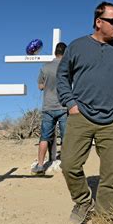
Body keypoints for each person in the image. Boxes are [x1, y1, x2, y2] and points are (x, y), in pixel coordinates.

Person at [57, 1, 113, 224]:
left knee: (110, 175)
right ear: (98, 22)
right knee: (69, 164)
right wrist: (71, 104)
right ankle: (83, 202)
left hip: (112, 120)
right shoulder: (77, 46)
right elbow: (63, 76)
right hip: (80, 116)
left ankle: (103, 221)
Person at [31, 42, 68, 175]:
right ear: (66, 53)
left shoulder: (45, 67)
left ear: (55, 53)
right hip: (64, 106)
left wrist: (47, 85)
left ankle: (40, 165)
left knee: (44, 137)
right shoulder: (67, 67)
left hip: (48, 106)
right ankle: (66, 164)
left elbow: (40, 86)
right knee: (66, 137)